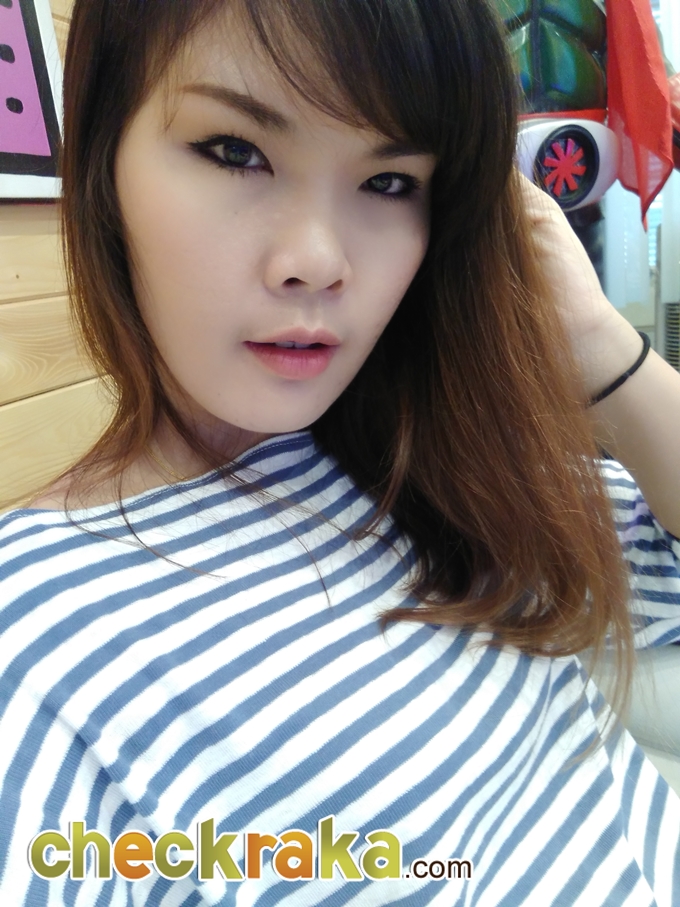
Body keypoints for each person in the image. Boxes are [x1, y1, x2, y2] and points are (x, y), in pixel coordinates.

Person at [0, 0, 679, 903]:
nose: (318, 260)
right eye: (234, 150)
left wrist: (598, 344)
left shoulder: (443, 467)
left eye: (389, 182)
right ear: (103, 165)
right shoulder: (38, 633)